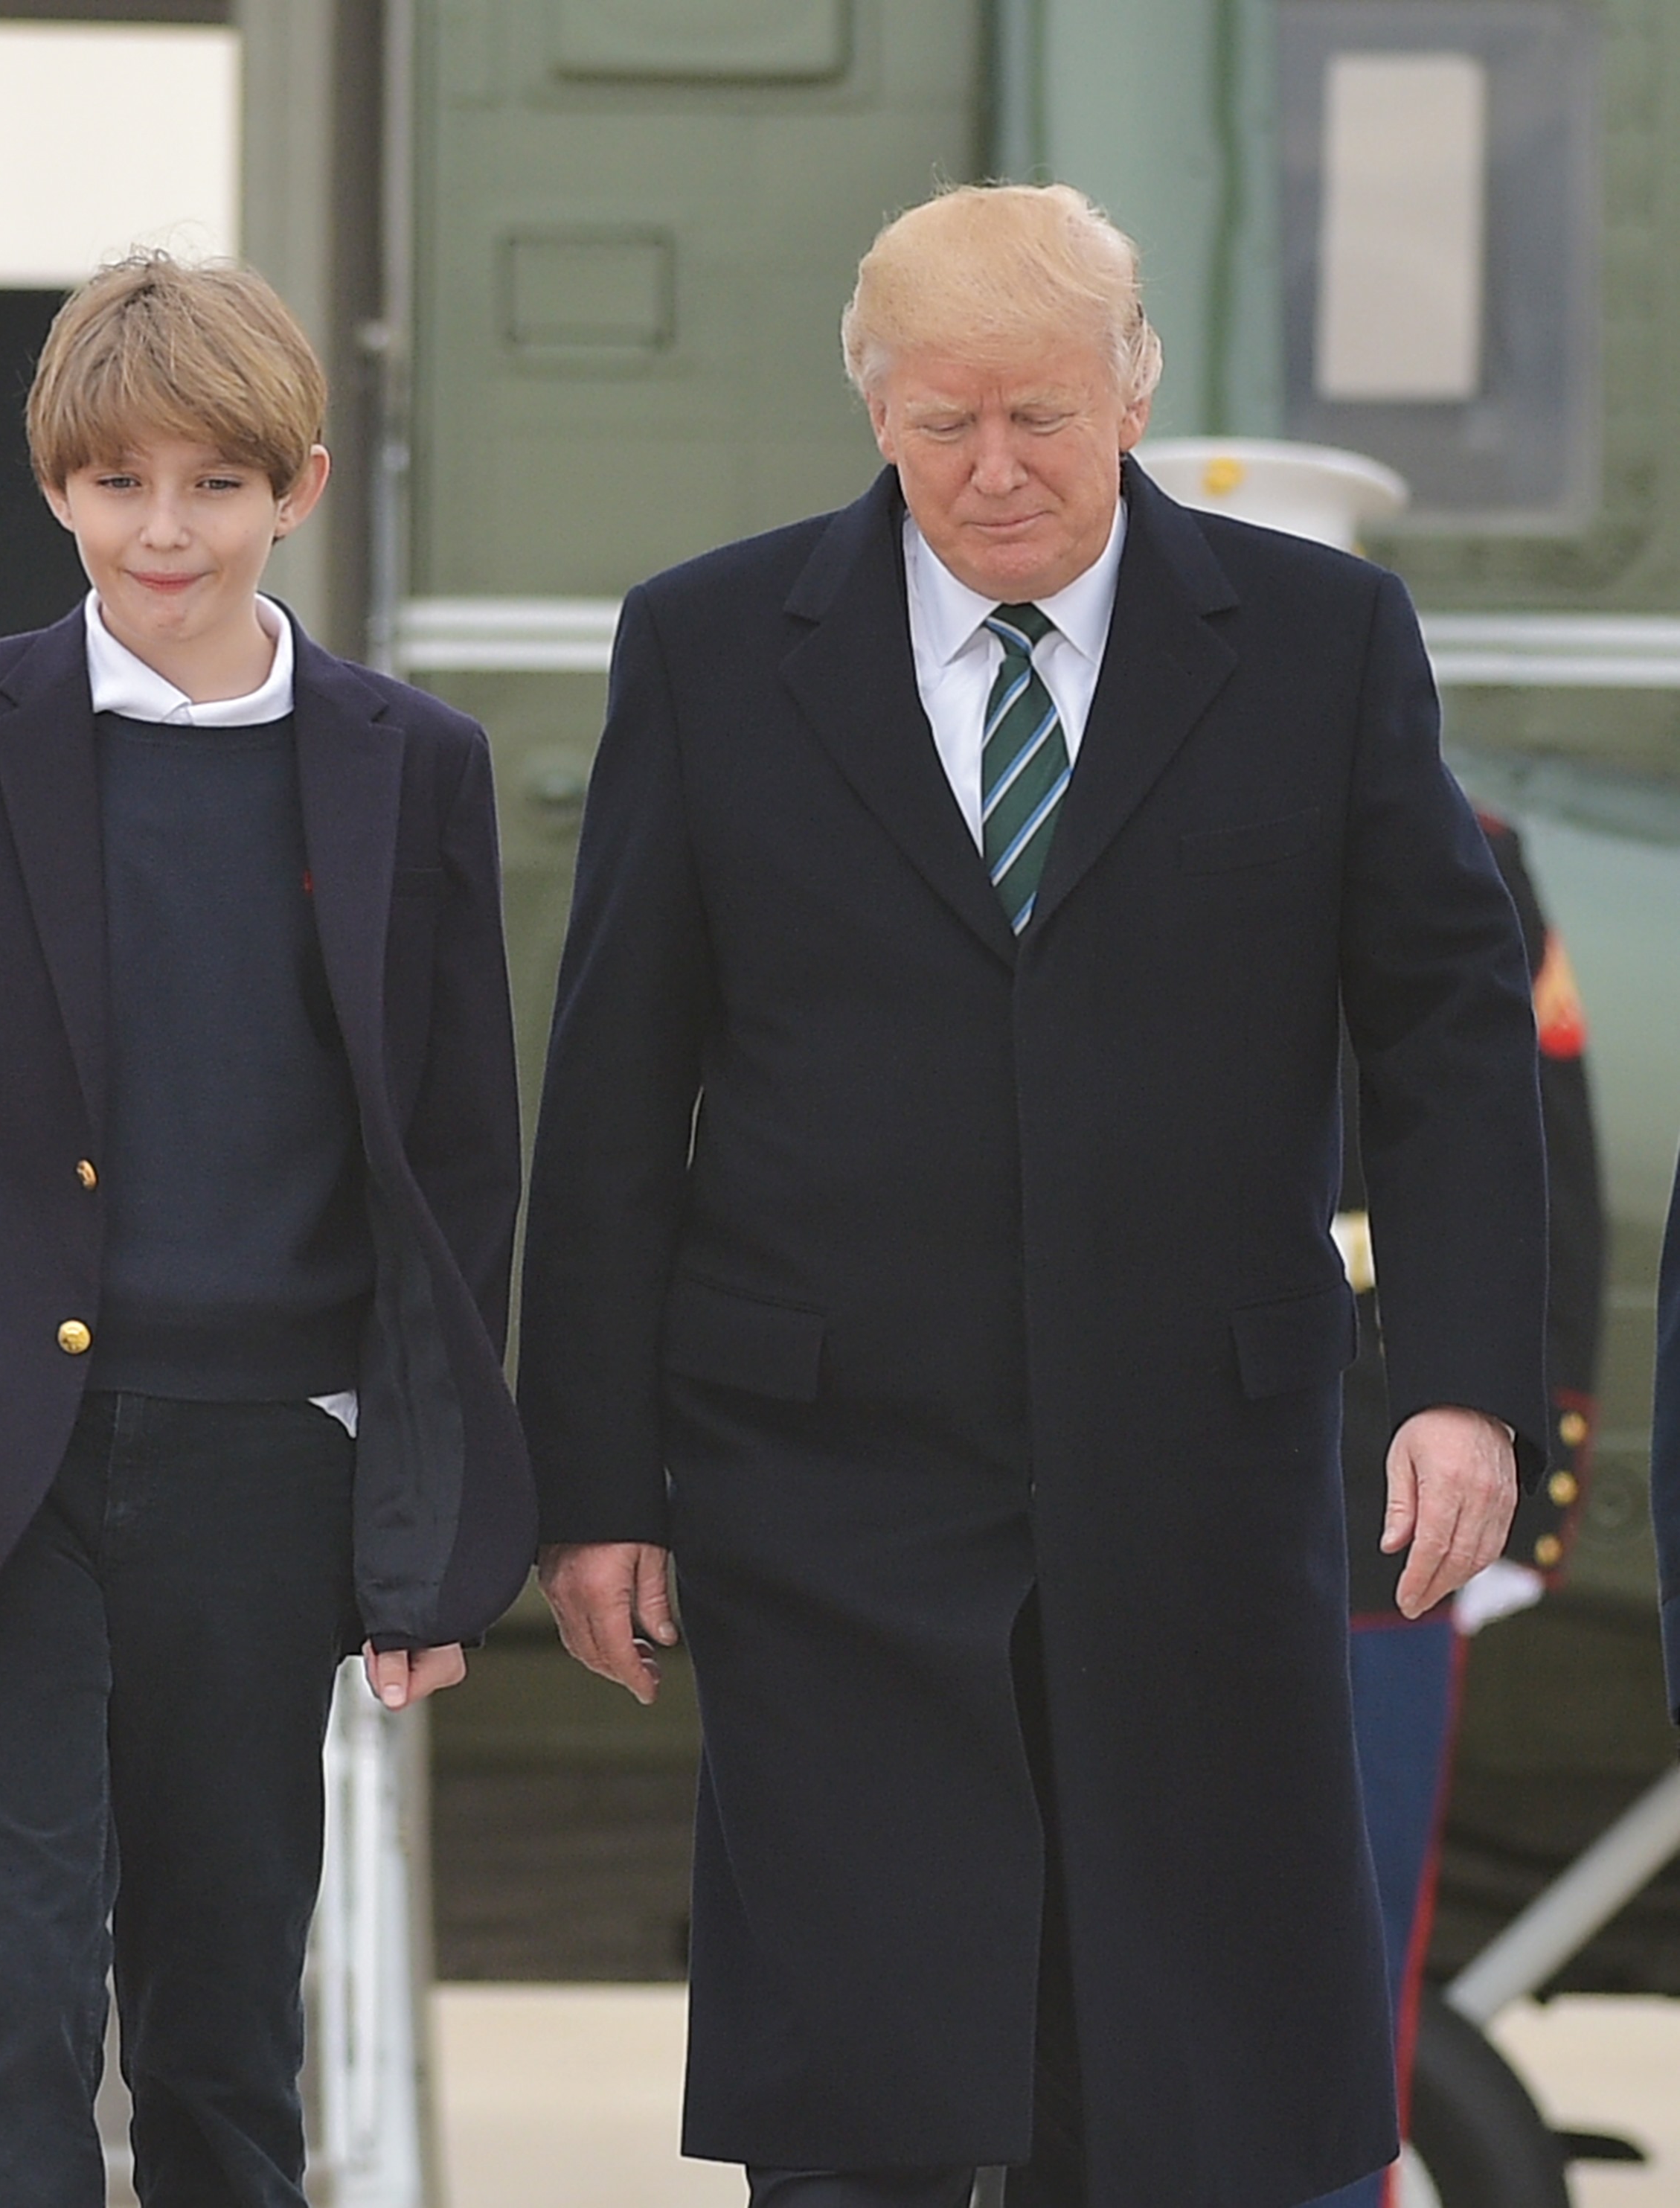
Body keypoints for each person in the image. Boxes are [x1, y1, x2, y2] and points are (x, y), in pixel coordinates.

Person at [518, 182, 1548, 2208]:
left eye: (1043, 418)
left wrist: (1457, 1384)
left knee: (1179, 2102)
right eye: (938, 425)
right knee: (859, 2101)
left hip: (1198, 1485)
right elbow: (621, 1093)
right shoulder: (710, 647)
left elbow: (1444, 1028)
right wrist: (597, 1488)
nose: (991, 473)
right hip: (820, 1498)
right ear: (871, 407)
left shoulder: (1319, 639)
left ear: (1133, 385)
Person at [0, 252, 536, 2208]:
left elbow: (451, 1171)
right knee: (8, 1990)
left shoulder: (404, 765)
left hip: (266, 1468)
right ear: (52, 491)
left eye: (209, 483)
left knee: (218, 2022)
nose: (160, 530)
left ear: (299, 488)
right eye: (115, 484)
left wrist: (424, 1543)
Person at [1310, 812, 1600, 2208]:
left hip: (1380, 1493)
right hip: (1121, 1466)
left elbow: (1541, 1167)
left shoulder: (1460, 847)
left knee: (1343, 1948)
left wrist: (1524, 1500)